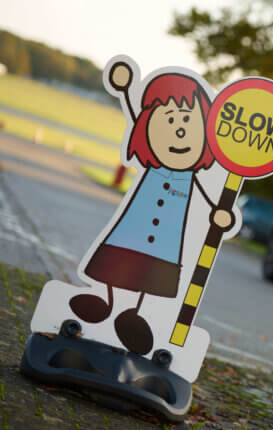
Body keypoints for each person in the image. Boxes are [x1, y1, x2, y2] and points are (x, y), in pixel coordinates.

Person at [69, 62, 234, 355]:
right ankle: (105, 303)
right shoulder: (152, 166)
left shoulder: (191, 176)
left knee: (150, 277)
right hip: (133, 229)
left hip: (165, 244)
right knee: (116, 264)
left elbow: (208, 198)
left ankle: (132, 316)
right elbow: (137, 117)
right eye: (170, 121)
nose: (179, 131)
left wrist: (219, 215)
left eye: (187, 122)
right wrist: (125, 89)